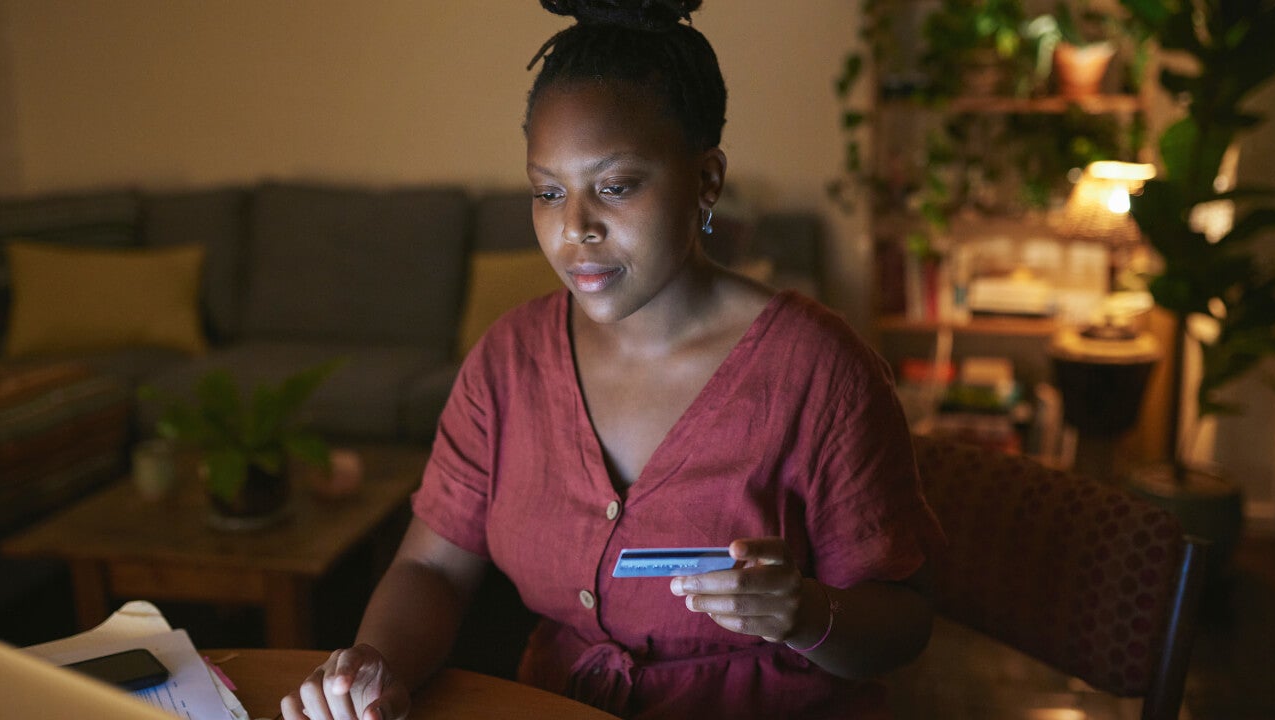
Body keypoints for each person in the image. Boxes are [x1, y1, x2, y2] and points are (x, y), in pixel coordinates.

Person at [280, 2, 944, 718]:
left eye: (616, 186)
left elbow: (902, 626)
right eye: (549, 191)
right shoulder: (509, 362)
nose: (574, 229)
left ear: (706, 180)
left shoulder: (820, 374)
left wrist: (806, 613)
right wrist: (375, 666)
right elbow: (430, 567)